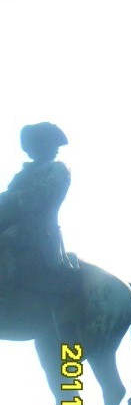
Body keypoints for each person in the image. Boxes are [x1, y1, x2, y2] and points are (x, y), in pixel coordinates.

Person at [0, 122, 73, 291]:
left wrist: (8, 200)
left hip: (37, 231)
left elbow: (36, 199)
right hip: (12, 224)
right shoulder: (23, 174)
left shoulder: (58, 169)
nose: (55, 148)